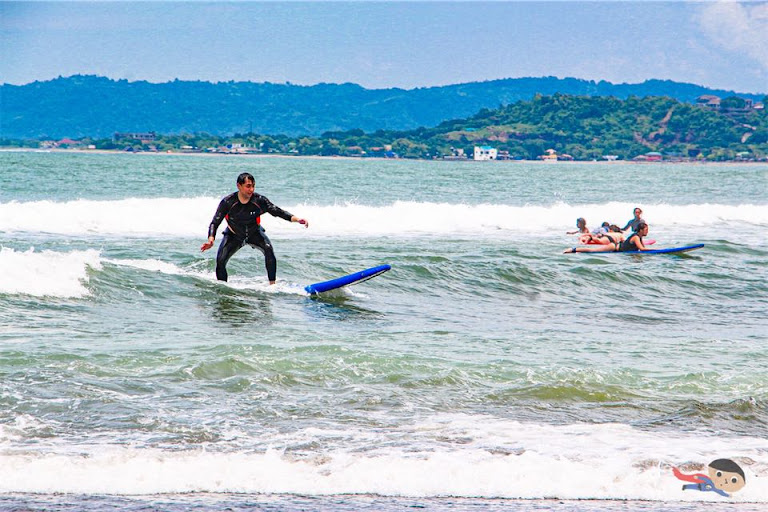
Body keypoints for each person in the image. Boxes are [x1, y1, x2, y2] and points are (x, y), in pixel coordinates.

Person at [201, 172, 309, 284]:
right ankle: (223, 287)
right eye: (248, 186)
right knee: (221, 260)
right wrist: (211, 239)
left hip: (255, 233)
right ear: (239, 186)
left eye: (253, 186)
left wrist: (296, 219)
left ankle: (272, 285)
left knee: (268, 249)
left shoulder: (259, 200)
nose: (251, 189)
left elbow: (278, 211)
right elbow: (215, 222)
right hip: (234, 235)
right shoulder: (228, 202)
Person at [565, 222, 649, 253]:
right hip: (614, 246)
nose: (647, 231)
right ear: (640, 230)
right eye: (646, 230)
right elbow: (642, 249)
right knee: (593, 250)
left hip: (617, 247)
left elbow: (642, 249)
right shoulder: (636, 237)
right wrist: (657, 251)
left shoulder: (639, 237)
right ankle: (573, 249)